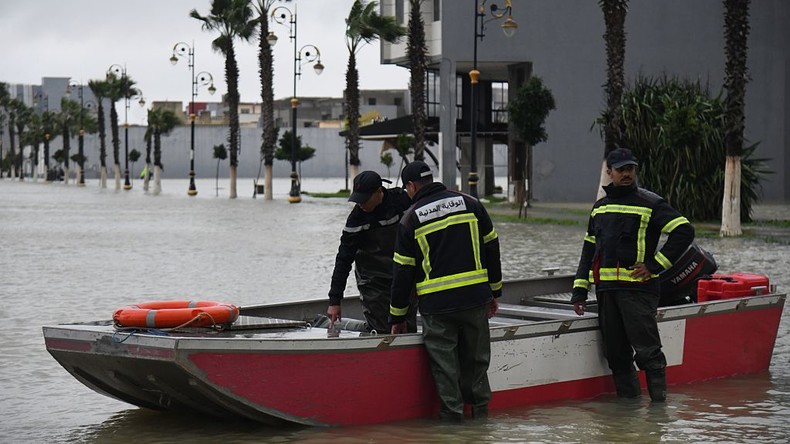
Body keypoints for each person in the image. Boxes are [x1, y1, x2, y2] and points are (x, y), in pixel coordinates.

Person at [571, 147, 694, 402]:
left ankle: (658, 412)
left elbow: (684, 231)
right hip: (607, 293)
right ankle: (628, 413)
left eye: (631, 169)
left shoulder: (650, 203)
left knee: (648, 353)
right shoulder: (599, 208)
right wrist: (579, 291)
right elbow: (588, 251)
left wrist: (654, 265)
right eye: (621, 169)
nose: (627, 174)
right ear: (609, 172)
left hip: (638, 292)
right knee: (616, 355)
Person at [389, 161, 502, 421]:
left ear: (411, 186)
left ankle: (452, 424)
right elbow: (492, 248)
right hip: (475, 300)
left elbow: (402, 273)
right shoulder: (471, 204)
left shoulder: (410, 218)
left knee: (445, 368)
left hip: (437, 307)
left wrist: (397, 317)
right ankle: (481, 419)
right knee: (477, 363)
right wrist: (494, 292)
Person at [327, 170, 416, 334]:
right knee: (383, 328)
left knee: (407, 326)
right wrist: (335, 301)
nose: (360, 204)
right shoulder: (355, 221)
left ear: (379, 192)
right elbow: (343, 261)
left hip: (403, 275)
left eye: (364, 199)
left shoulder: (401, 201)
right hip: (373, 282)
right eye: (357, 200)